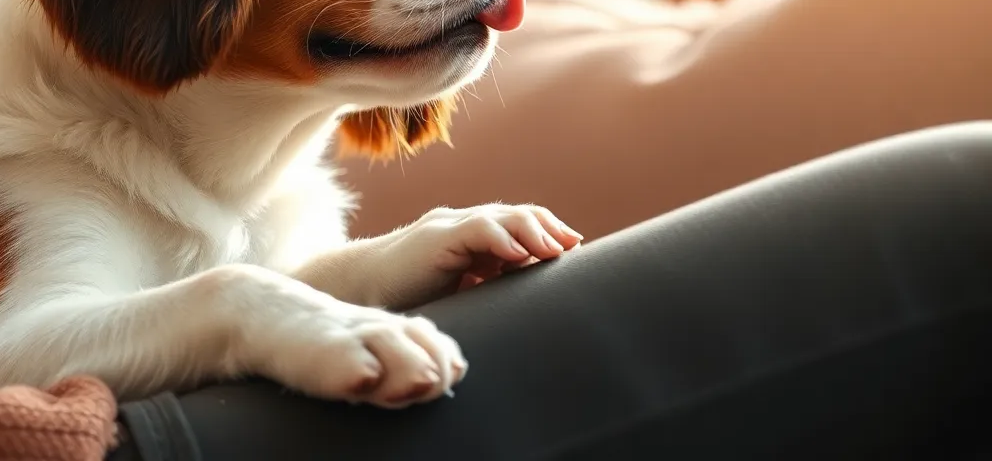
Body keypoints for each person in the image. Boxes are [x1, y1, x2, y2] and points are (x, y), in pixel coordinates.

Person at [113, 122, 992, 460]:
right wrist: (250, 309)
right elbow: (6, 359)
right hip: (139, 445)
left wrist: (374, 270)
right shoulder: (0, 171)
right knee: (966, 213)